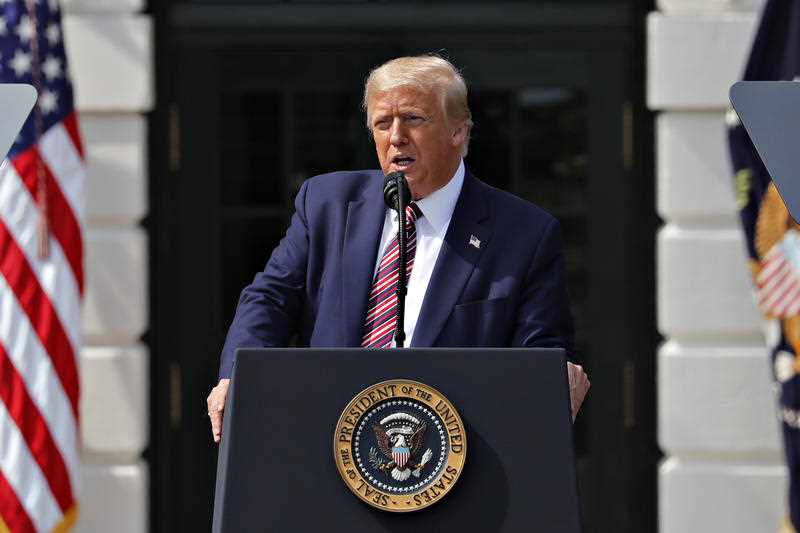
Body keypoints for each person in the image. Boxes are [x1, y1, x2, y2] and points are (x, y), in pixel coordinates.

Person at [207, 55, 590, 442]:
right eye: (382, 123)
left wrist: (554, 375)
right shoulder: (327, 204)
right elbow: (270, 297)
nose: (396, 137)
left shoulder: (524, 233)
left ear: (459, 131)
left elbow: (540, 350)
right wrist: (236, 376)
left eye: (413, 119)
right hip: (329, 442)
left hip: (454, 456)